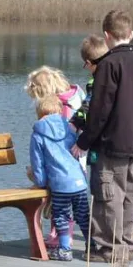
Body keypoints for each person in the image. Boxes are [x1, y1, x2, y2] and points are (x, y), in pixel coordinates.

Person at [72, 11, 133, 262]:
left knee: (107, 194)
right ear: (131, 34)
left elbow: (99, 111)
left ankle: (109, 249)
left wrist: (84, 141)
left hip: (112, 144)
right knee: (131, 194)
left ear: (107, 36)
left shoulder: (109, 65)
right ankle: (128, 245)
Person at [25, 66, 87, 247]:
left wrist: (38, 174)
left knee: (59, 203)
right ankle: (65, 237)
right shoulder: (76, 99)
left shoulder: (61, 110)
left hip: (62, 164)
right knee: (76, 208)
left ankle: (60, 239)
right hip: (77, 164)